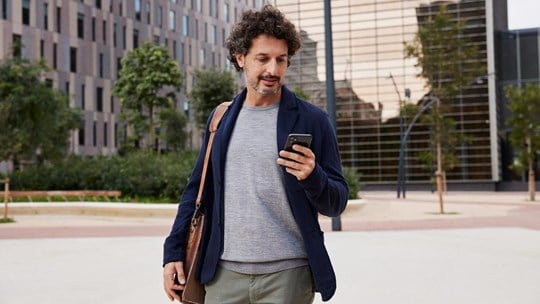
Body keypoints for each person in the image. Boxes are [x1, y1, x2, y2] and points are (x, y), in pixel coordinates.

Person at [163, 5, 348, 303]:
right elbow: (196, 191)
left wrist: (313, 176)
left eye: (281, 60)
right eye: (262, 59)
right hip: (222, 276)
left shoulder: (313, 120)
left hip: (288, 277)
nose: (273, 70)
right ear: (241, 59)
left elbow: (336, 202)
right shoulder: (220, 119)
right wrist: (172, 252)